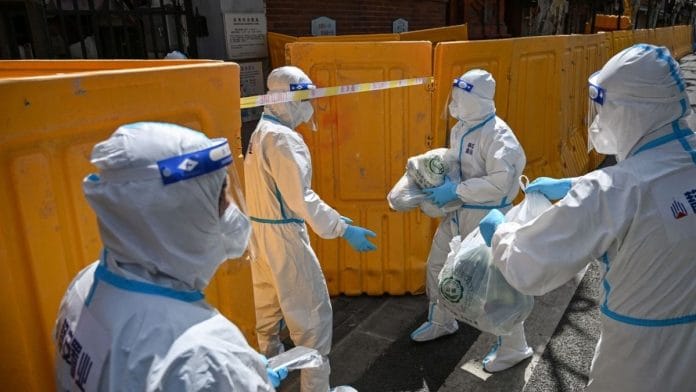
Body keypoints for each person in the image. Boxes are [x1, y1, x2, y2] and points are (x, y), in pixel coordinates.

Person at [479, 44, 696, 390]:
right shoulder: (683, 157)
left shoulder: (611, 191)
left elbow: (529, 267)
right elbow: (657, 182)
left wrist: (500, 232)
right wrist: (570, 185)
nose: (598, 118)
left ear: (630, 111)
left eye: (603, 106)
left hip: (637, 364)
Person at [54, 122, 285, 391]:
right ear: (178, 213)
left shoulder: (85, 284)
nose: (231, 208)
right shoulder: (201, 355)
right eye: (220, 196)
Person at [244, 66, 377, 392]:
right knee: (313, 323)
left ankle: (265, 382)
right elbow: (301, 199)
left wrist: (335, 220)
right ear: (290, 98)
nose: (309, 106)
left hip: (258, 237)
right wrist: (342, 229)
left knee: (266, 318)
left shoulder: (260, 130)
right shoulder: (284, 139)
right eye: (304, 97)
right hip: (285, 240)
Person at [412, 69, 532, 372]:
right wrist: (437, 183)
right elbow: (456, 163)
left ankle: (514, 346)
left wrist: (456, 190)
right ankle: (442, 320)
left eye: (460, 99)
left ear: (479, 101)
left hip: (488, 217)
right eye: (453, 99)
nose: (454, 105)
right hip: (459, 211)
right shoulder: (461, 127)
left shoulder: (499, 136)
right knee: (439, 265)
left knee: (496, 284)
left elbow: (500, 184)